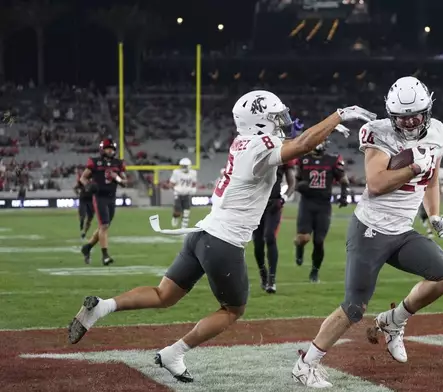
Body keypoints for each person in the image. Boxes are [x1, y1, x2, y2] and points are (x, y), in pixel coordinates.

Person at [67, 90, 375, 384]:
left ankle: (103, 306)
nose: (283, 121)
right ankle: (175, 352)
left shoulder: (243, 141)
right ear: (260, 120)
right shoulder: (258, 146)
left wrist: (323, 128)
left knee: (165, 295)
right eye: (277, 116)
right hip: (223, 241)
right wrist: (338, 116)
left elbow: (299, 140)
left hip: (202, 235)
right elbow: (303, 144)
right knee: (233, 310)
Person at [292, 77, 443, 388]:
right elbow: (377, 184)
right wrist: (413, 167)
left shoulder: (438, 131)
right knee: (354, 307)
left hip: (401, 231)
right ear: (390, 115)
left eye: (415, 116)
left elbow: (432, 177)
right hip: (370, 229)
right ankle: (306, 364)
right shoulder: (378, 132)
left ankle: (393, 321)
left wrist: (434, 214)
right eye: (402, 117)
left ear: (428, 111)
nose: (409, 123)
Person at [293, 140, 349, 282]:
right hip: (307, 203)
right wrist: (300, 186)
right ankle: (299, 248)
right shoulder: (303, 159)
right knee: (303, 238)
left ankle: (314, 272)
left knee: (319, 241)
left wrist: (343, 197)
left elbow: (343, 180)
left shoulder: (332, 160)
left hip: (323, 205)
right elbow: (296, 180)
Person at [79, 139, 127, 266]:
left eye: (112, 148)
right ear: (102, 149)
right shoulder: (95, 162)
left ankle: (87, 247)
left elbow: (124, 181)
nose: (110, 151)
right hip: (99, 197)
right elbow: (83, 177)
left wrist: (116, 177)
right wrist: (88, 185)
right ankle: (105, 255)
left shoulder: (118, 163)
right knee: (104, 225)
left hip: (111, 197)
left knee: (103, 226)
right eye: (107, 148)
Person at [253, 159, 296, 293]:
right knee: (258, 243)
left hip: (273, 204)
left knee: (270, 237)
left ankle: (272, 279)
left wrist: (284, 198)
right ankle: (263, 274)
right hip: (257, 204)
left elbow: (292, 183)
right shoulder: (256, 155)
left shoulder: (282, 157)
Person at [168, 158, 198, 229]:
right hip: (178, 193)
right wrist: (174, 188)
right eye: (182, 166)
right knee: (177, 210)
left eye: (184, 166)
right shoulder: (176, 172)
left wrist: (193, 188)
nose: (182, 167)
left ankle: (184, 227)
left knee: (186, 211)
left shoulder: (193, 173)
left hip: (187, 193)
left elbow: (194, 183)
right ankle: (175, 217)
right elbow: (171, 183)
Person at [73, 168, 94, 241]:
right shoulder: (82, 180)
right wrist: (78, 194)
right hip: (83, 200)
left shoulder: (94, 181)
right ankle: (81, 223)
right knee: (82, 215)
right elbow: (75, 188)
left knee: (90, 218)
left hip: (91, 201)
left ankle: (84, 232)